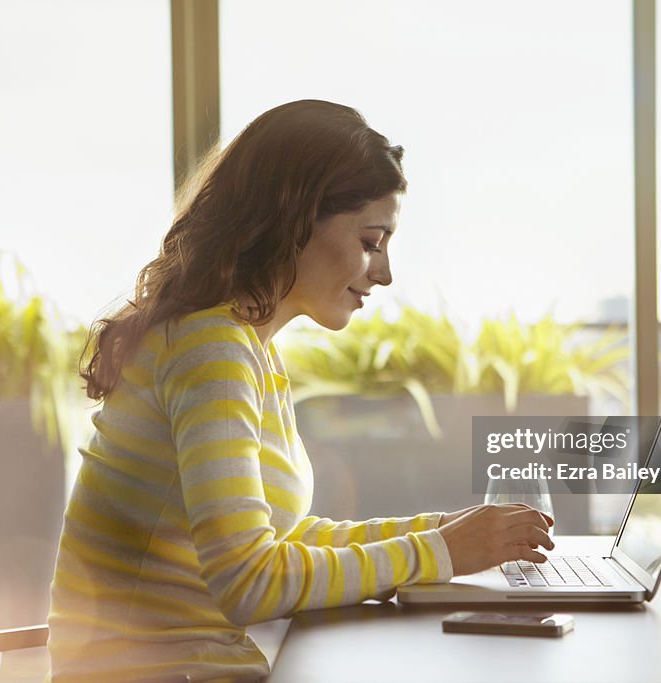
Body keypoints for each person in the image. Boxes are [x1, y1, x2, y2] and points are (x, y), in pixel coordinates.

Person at [46, 99, 554, 683]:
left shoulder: (246, 348)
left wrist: (441, 531)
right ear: (295, 220)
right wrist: (442, 553)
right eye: (371, 241)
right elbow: (250, 581)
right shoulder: (212, 352)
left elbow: (280, 539)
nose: (383, 273)